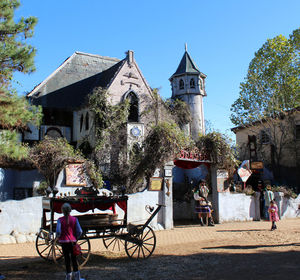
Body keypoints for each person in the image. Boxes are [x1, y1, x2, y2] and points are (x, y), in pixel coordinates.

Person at [56, 203, 85, 280]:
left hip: (64, 242)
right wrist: (76, 238)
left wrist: (59, 237)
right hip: (72, 242)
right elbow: (80, 231)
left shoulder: (60, 220)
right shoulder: (75, 219)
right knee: (74, 259)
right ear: (70, 210)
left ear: (62, 210)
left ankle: (68, 276)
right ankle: (77, 277)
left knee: (67, 259)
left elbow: (58, 231)